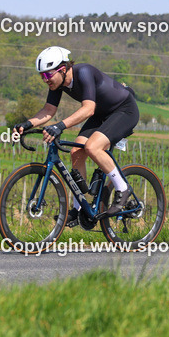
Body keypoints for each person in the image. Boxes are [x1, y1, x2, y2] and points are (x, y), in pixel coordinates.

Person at [14, 47, 140, 222]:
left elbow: (88, 109)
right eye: (42, 76)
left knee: (92, 147)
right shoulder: (57, 83)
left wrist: (60, 126)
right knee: (76, 152)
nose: (45, 80)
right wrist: (27, 123)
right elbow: (48, 110)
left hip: (124, 110)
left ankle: (122, 187)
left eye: (48, 75)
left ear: (62, 69)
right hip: (101, 114)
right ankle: (79, 209)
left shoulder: (83, 72)